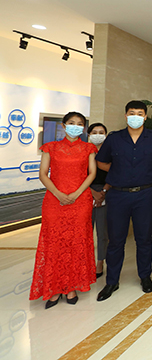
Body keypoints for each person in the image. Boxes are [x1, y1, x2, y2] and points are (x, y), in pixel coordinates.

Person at [96, 101, 152, 301]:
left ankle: (145, 276)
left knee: (144, 239)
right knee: (116, 240)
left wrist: (149, 172)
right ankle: (112, 281)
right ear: (126, 116)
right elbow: (101, 161)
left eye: (139, 113)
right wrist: (118, 172)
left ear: (145, 117)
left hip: (144, 194)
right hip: (118, 195)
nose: (135, 116)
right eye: (132, 113)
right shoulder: (114, 138)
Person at [30, 112, 97, 308]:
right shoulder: (50, 147)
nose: (76, 126)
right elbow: (43, 174)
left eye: (80, 124)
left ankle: (71, 287)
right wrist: (58, 194)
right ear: (64, 125)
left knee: (76, 242)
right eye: (71, 123)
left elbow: (92, 173)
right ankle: (54, 288)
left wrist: (76, 194)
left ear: (83, 128)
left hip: (80, 200)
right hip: (54, 200)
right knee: (54, 243)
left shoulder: (89, 148)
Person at [88, 122, 109, 278]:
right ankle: (85, 262)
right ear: (89, 135)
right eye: (94, 132)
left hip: (106, 193)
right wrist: (92, 193)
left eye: (101, 132)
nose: (98, 135)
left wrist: (103, 192)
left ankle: (100, 262)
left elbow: (115, 173)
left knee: (102, 232)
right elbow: (78, 176)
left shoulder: (110, 153)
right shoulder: (84, 152)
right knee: (85, 232)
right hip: (85, 192)